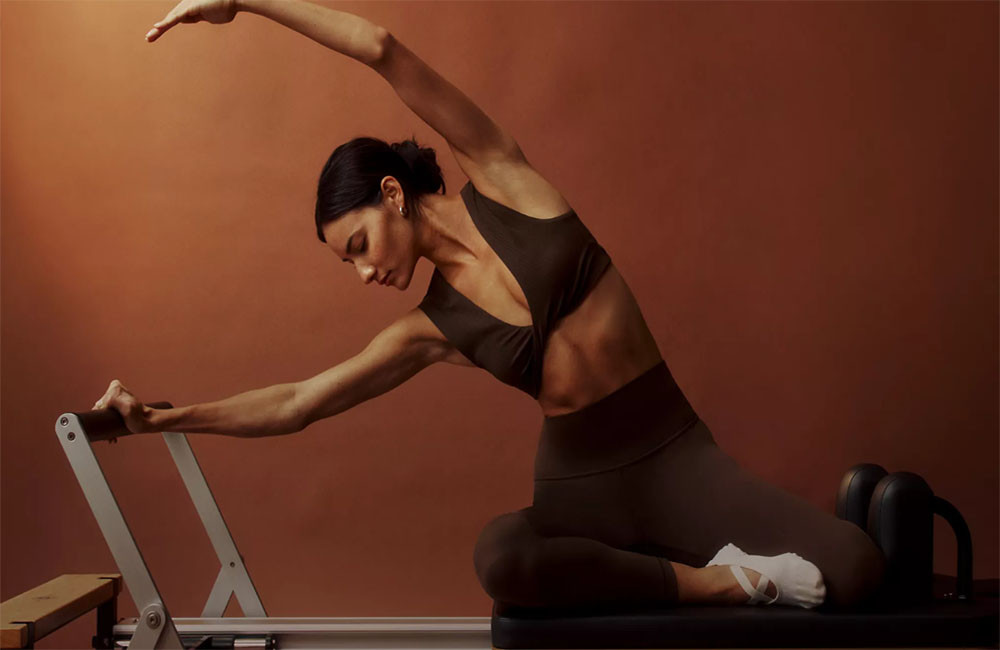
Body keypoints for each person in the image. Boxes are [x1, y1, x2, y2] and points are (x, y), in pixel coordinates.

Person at [94, 0, 886, 611]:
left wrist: (248, 2)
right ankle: (722, 586)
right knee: (502, 558)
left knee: (856, 571)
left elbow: (382, 49)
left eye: (359, 246)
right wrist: (162, 419)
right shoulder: (429, 329)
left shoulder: (504, 177)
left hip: (676, 455)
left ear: (394, 195)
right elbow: (298, 403)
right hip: (581, 487)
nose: (363, 276)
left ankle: (776, 547)